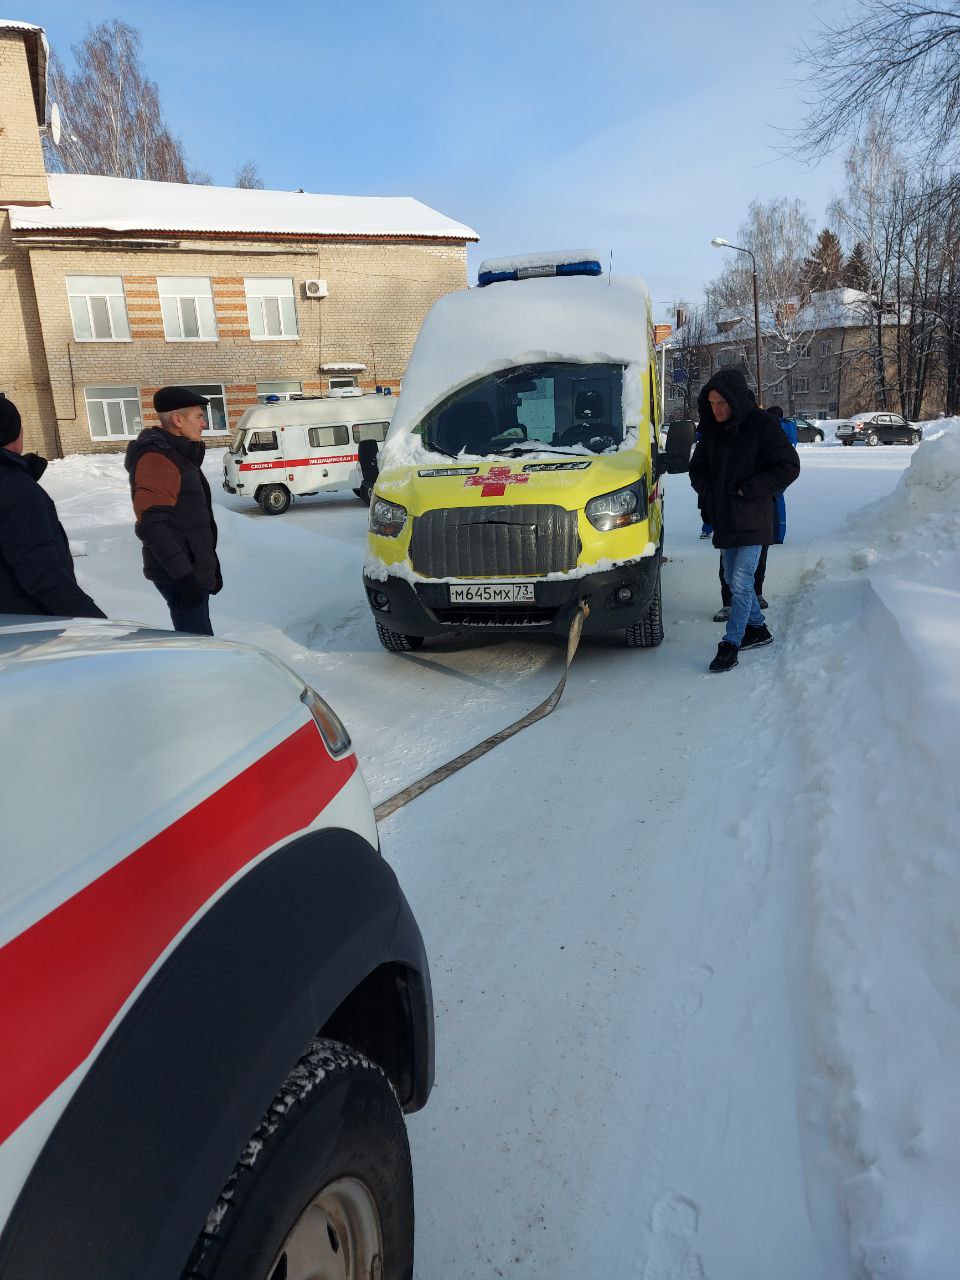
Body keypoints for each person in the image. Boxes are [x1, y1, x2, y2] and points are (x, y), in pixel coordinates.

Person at [689, 370, 800, 672]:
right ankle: (757, 628)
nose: (717, 409)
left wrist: (750, 488)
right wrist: (710, 493)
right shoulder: (712, 429)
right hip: (724, 517)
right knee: (729, 576)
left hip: (753, 515)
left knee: (740, 581)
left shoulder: (761, 425)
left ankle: (731, 644)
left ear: (735, 399)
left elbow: (789, 466)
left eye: (722, 402)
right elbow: (697, 469)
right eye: (712, 403)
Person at [125, 386, 222, 636]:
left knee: (199, 643)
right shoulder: (158, 458)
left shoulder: (179, 453)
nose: (204, 424)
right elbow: (151, 525)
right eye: (198, 417)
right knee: (198, 648)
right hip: (180, 575)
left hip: (191, 569)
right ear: (178, 420)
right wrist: (185, 578)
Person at [0, 392, 105, 619]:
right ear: (15, 434)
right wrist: (94, 623)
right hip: (29, 628)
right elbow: (40, 570)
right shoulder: (14, 488)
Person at [711, 404, 794, 620]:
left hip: (760, 509)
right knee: (728, 560)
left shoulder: (771, 439)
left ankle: (756, 594)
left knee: (758, 555)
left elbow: (785, 469)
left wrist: (766, 492)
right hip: (730, 511)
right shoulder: (729, 435)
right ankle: (729, 603)